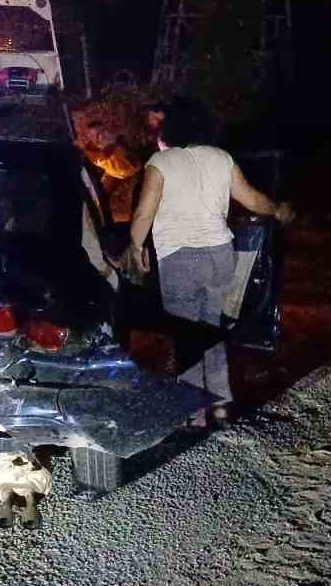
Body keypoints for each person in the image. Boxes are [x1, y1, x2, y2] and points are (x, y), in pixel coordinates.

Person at [129, 99, 294, 415]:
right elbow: (252, 198)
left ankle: (193, 411)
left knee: (187, 332)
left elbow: (144, 211)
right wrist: (277, 209)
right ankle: (219, 401)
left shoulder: (161, 162)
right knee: (212, 328)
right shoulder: (222, 158)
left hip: (179, 259)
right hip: (220, 257)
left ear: (170, 129)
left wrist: (135, 248)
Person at [80, 119, 141, 223]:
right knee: (97, 195)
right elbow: (100, 158)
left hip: (131, 172)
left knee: (130, 202)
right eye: (94, 134)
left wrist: (116, 142)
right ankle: (96, 220)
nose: (99, 136)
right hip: (112, 173)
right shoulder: (91, 149)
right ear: (89, 136)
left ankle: (127, 222)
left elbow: (131, 152)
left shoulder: (114, 140)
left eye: (101, 132)